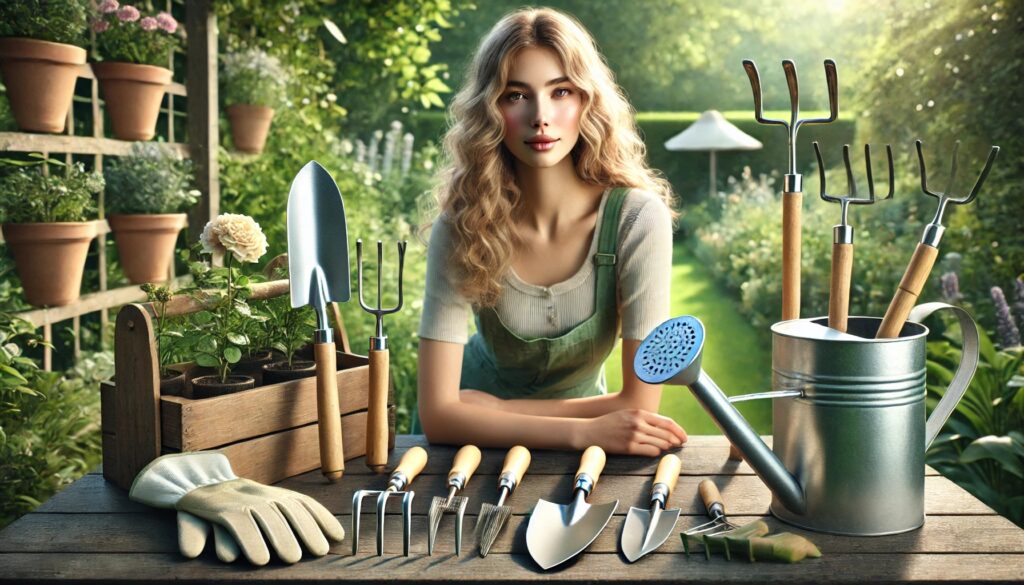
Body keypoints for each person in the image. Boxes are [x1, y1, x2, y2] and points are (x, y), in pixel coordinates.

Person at [414, 7, 687, 456]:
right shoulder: (463, 226)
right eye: (515, 95)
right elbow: (439, 417)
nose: (540, 116)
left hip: (504, 428)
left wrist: (496, 412)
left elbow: (639, 402)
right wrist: (584, 430)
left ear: (587, 101)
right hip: (472, 451)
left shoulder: (636, 220)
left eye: (561, 91)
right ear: (490, 109)